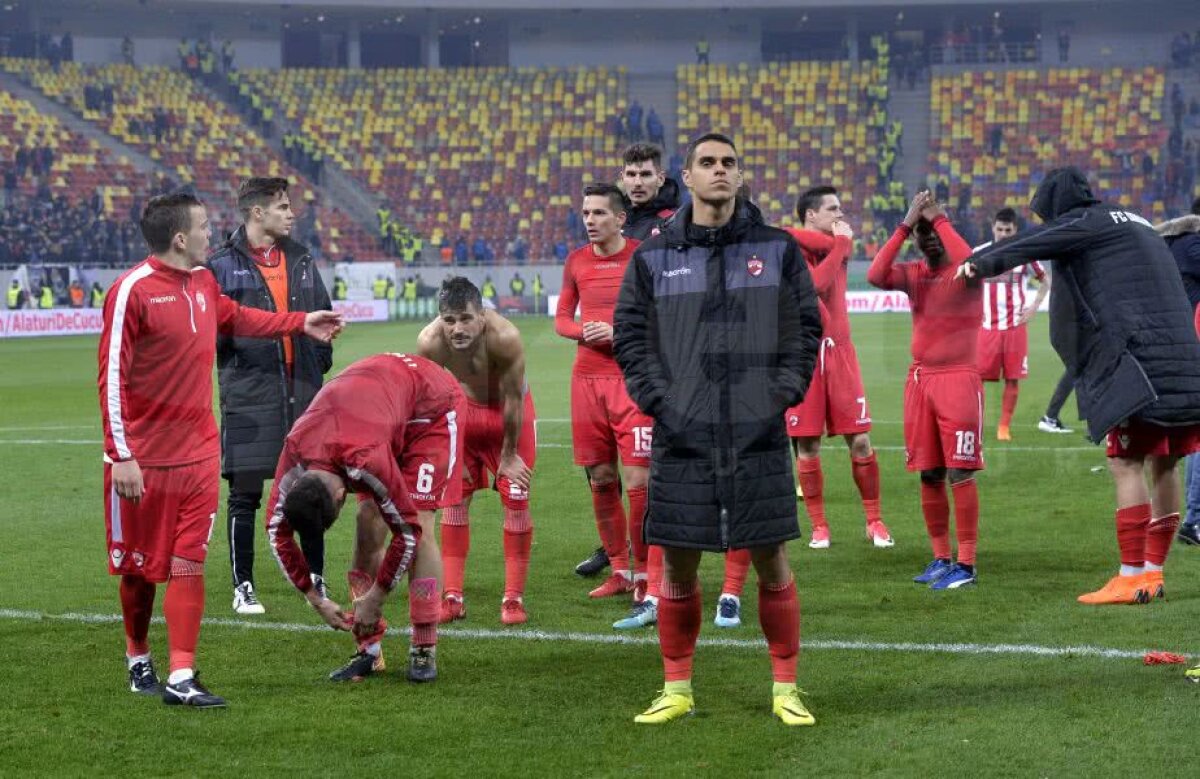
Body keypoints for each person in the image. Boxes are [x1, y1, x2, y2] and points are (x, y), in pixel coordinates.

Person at [98, 192, 342, 708]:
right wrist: (122, 454)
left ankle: (181, 675)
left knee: (189, 563)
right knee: (140, 572)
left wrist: (300, 322)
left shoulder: (205, 282)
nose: (214, 234)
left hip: (200, 454)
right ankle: (138, 655)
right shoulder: (131, 292)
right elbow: (111, 378)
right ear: (181, 238)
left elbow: (238, 318)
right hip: (142, 462)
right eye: (205, 227)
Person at [614, 133, 822, 725]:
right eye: (708, 163)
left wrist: (778, 397)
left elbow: (804, 332)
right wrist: (661, 403)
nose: (720, 171)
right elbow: (632, 337)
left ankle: (786, 688)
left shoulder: (776, 249)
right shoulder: (654, 254)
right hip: (682, 434)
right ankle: (676, 689)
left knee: (771, 560)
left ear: (740, 174)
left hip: (756, 433)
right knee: (677, 564)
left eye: (729, 163)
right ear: (689, 175)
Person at [957, 167, 1200, 606]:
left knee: (1125, 462)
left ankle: (1129, 577)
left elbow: (1030, 242)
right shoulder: (1139, 224)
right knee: (1166, 465)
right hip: (1185, 362)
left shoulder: (1084, 223)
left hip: (1142, 366)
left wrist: (979, 263)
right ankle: (1153, 573)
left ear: (1059, 207)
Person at [265, 353, 462, 683]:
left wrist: (378, 595)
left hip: (430, 411)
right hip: (376, 411)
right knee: (367, 521)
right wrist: (316, 599)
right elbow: (276, 531)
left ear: (341, 495)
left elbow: (407, 531)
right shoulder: (296, 451)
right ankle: (368, 651)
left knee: (421, 520)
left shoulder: (365, 460)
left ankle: (424, 644)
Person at [208, 177, 334, 615]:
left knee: (310, 488)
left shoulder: (300, 258)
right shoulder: (220, 265)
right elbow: (215, 330)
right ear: (257, 213)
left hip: (303, 393)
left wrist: (318, 362)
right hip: (250, 396)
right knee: (245, 493)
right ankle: (244, 586)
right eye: (282, 206)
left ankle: (316, 577)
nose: (291, 213)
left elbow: (323, 313)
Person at [572, 142, 682, 581]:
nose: (637, 182)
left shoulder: (673, 223)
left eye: (645, 175)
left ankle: (657, 553)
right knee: (603, 469)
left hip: (650, 363)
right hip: (602, 367)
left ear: (661, 178)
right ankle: (616, 549)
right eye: (630, 174)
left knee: (649, 469)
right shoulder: (612, 219)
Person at [868, 190, 984, 591]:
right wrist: (906, 223)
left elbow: (970, 259)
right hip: (920, 381)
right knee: (929, 472)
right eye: (923, 231)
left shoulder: (965, 272)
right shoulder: (915, 274)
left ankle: (966, 564)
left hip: (958, 380)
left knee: (960, 470)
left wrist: (936, 217)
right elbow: (875, 275)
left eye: (934, 228)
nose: (929, 236)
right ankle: (940, 557)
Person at [556, 184, 654, 619]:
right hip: (587, 380)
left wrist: (620, 334)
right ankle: (620, 570)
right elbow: (561, 319)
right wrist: (584, 332)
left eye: (598, 213)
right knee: (600, 477)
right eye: (585, 212)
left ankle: (648, 572)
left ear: (620, 218)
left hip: (632, 378)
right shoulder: (576, 260)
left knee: (638, 483)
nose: (590, 220)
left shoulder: (642, 256)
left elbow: (660, 315)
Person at [416, 278, 536, 625]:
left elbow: (514, 399)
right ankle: (452, 597)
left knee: (516, 499)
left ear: (481, 315)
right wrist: (446, 451)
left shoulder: (505, 337)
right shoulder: (429, 342)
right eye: (449, 320)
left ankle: (513, 599)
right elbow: (430, 403)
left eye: (466, 318)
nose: (457, 328)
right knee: (455, 501)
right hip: (462, 416)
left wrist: (510, 455)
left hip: (508, 417)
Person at [784, 186, 894, 551]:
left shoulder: (833, 246)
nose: (841, 215)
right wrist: (844, 246)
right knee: (809, 445)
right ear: (810, 215)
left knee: (861, 440)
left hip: (841, 354)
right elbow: (815, 284)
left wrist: (841, 245)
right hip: (803, 354)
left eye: (841, 208)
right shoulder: (792, 251)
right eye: (833, 209)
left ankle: (874, 520)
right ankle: (819, 526)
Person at [974, 208, 1050, 441]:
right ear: (993, 229)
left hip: (1015, 326)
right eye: (1000, 229)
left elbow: (1046, 280)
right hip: (987, 327)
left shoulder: (1024, 253)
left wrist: (1034, 307)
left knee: (1012, 378)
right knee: (976, 379)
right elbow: (963, 281)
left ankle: (1003, 427)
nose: (1003, 234)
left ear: (1015, 230)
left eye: (1008, 230)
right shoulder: (979, 253)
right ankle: (975, 423)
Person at [1153, 197, 1200, 545]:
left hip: (1171, 344)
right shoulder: (1194, 245)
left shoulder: (1169, 243)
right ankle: (1195, 519)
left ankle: (1192, 517)